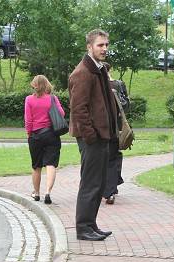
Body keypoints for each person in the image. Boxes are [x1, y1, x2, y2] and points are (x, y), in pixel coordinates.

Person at [69, 29, 118, 241]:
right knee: (90, 183)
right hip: (92, 138)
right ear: (89, 46)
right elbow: (78, 109)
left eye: (106, 44)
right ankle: (83, 228)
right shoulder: (82, 73)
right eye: (100, 45)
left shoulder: (98, 70)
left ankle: (91, 224)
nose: (105, 48)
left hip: (102, 136)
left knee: (98, 182)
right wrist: (90, 136)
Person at [24, 75, 65, 205]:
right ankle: (48, 192)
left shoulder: (29, 99)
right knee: (51, 164)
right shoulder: (53, 98)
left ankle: (36, 193)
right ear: (47, 84)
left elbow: (28, 120)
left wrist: (29, 134)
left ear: (34, 85)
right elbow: (62, 114)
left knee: (36, 166)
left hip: (35, 135)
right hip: (51, 134)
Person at [102, 62, 127, 204]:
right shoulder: (117, 85)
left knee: (101, 160)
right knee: (112, 159)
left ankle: (105, 188)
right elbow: (126, 105)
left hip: (98, 128)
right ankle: (110, 191)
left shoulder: (96, 86)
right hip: (115, 128)